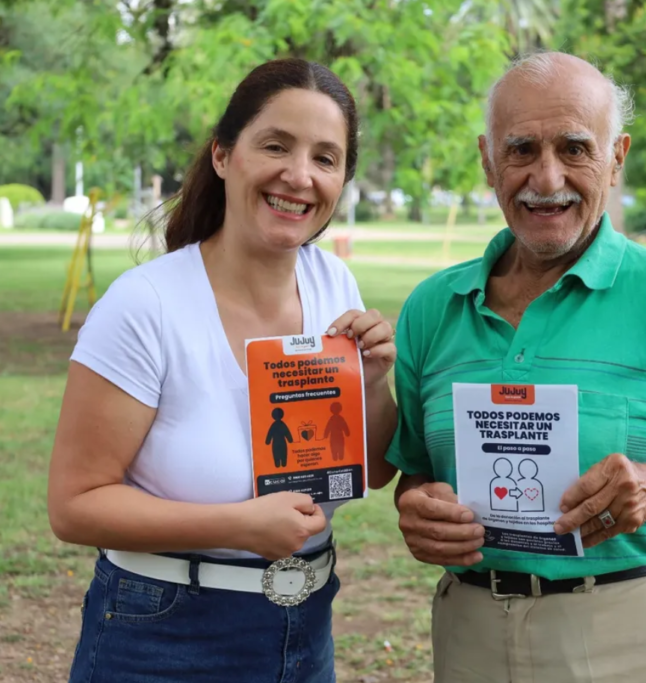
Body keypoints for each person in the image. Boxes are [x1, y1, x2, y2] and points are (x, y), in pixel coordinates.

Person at [387, 51, 646, 683]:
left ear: (616, 157)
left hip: (631, 630)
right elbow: (416, 474)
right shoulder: (434, 307)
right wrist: (417, 508)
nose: (547, 179)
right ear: (487, 159)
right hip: (470, 631)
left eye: (574, 148)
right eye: (520, 150)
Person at [47, 58, 399, 683]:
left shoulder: (333, 283)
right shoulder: (145, 305)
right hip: (163, 636)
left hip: (304, 625)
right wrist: (238, 525)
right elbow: (74, 506)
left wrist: (371, 381)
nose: (299, 176)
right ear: (222, 155)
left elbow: (370, 472)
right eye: (276, 146)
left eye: (325, 158)